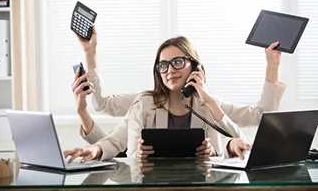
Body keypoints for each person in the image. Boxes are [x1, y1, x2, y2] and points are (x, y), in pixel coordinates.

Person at [64, 27, 286, 163]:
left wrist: (272, 65)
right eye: (163, 65)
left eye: (178, 62)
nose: (169, 70)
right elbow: (114, 141)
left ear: (195, 66)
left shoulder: (208, 104)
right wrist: (131, 155)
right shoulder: (144, 103)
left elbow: (258, 117)